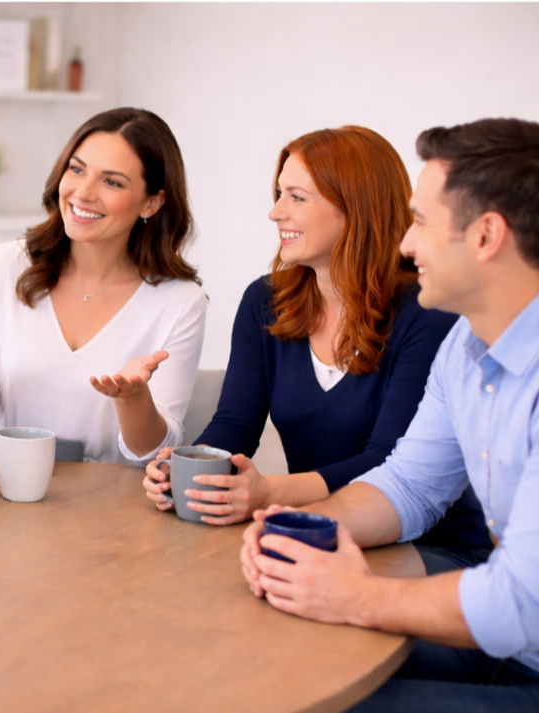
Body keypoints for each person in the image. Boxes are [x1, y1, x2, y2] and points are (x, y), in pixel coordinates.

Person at [240, 118, 539, 710]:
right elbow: (407, 485)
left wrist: (355, 597)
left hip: (518, 645)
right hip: (503, 642)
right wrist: (305, 536)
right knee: (263, 661)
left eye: (421, 223)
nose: (404, 243)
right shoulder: (466, 347)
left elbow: (519, 604)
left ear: (486, 237)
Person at [142, 126, 490, 564]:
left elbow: (388, 464)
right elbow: (234, 425)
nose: (275, 212)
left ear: (355, 208)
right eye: (278, 193)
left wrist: (271, 492)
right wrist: (190, 470)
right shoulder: (264, 301)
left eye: (296, 197)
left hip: (429, 549)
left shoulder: (427, 313)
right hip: (315, 531)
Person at [0, 108, 207, 464]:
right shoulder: (1, 267)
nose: (82, 193)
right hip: (6, 489)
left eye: (111, 182)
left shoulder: (180, 301)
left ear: (152, 202)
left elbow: (151, 451)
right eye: (77, 169)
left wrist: (132, 398)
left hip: (110, 507)